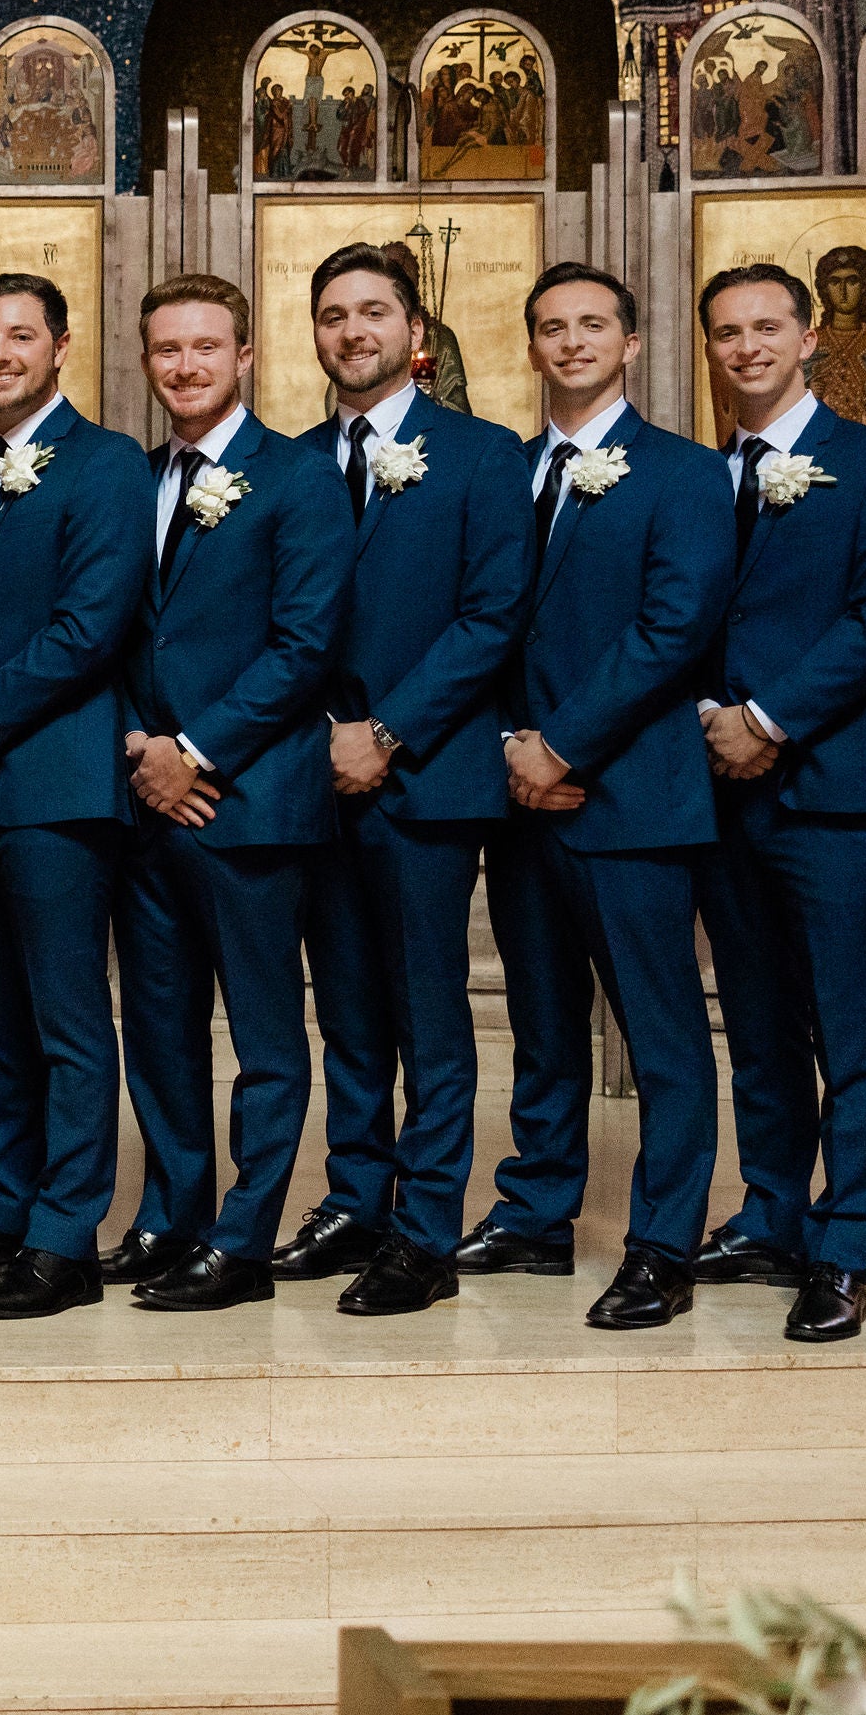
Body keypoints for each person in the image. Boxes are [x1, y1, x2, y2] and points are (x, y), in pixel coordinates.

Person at [480, 262, 732, 1329]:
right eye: (552, 327)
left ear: (630, 344)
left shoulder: (682, 473)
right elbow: (483, 622)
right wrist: (510, 747)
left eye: (592, 325)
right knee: (542, 1024)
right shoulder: (505, 471)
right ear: (531, 346)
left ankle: (663, 1243)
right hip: (517, 798)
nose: (571, 341)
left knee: (660, 1033)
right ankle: (538, 1212)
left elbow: (672, 632)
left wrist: (567, 747)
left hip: (630, 797)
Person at [692, 265, 866, 1343]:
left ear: (804, 340)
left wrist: (769, 719)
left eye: (765, 328)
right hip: (716, 790)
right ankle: (771, 1214)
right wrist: (710, 719)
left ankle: (844, 1248)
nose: (746, 347)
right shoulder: (701, 477)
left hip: (830, 783)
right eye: (727, 332)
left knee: (852, 1027)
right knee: (755, 1022)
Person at [282, 246, 527, 1317]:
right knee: (343, 1009)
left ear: (413, 327)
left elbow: (492, 615)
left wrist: (384, 732)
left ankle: (424, 1230)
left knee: (429, 1016)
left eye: (372, 311)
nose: (351, 331)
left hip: (422, 776)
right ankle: (354, 1195)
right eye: (332, 314)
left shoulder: (481, 454)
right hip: (306, 777)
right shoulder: (288, 461)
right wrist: (320, 738)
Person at [0, 270, 147, 1315]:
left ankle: (65, 1236)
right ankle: (2, 1206)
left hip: (52, 780)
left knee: (65, 1019)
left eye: (20, 336)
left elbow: (90, 625)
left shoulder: (107, 465)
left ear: (59, 345)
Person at [112, 275, 347, 1312]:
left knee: (261, 1034)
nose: (186, 366)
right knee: (157, 1026)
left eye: (207, 347)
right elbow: (119, 628)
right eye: (167, 349)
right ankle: (172, 1213)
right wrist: (138, 745)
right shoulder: (142, 475)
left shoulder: (297, 478)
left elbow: (304, 649)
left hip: (248, 801)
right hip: (146, 802)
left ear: (246, 357)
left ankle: (245, 1238)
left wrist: (195, 751)